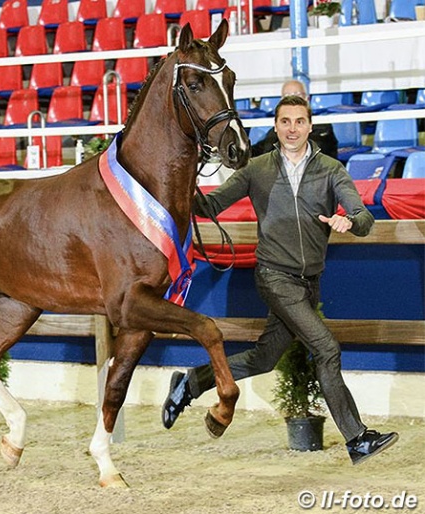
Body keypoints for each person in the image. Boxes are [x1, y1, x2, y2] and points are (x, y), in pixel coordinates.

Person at [162, 95, 399, 465]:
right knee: (326, 349)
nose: (292, 128)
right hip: (274, 277)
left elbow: (364, 218)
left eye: (299, 121)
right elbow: (209, 206)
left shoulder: (332, 170)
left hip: (310, 282)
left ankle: (191, 382)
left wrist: (350, 222)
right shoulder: (257, 169)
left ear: (309, 126)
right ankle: (357, 439)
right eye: (285, 121)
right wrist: (180, 177)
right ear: (275, 127)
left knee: (264, 359)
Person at [252, 80, 339, 160]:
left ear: (307, 99)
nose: (292, 100)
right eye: (286, 97)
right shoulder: (276, 131)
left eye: (297, 95)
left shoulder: (322, 127)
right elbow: (260, 150)